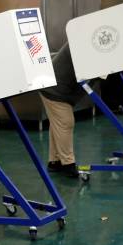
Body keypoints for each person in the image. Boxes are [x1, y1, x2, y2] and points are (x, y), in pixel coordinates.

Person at [39, 43, 87, 178]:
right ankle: (68, 164)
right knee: (65, 122)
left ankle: (54, 161)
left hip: (56, 86)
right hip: (54, 88)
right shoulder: (85, 41)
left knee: (58, 124)